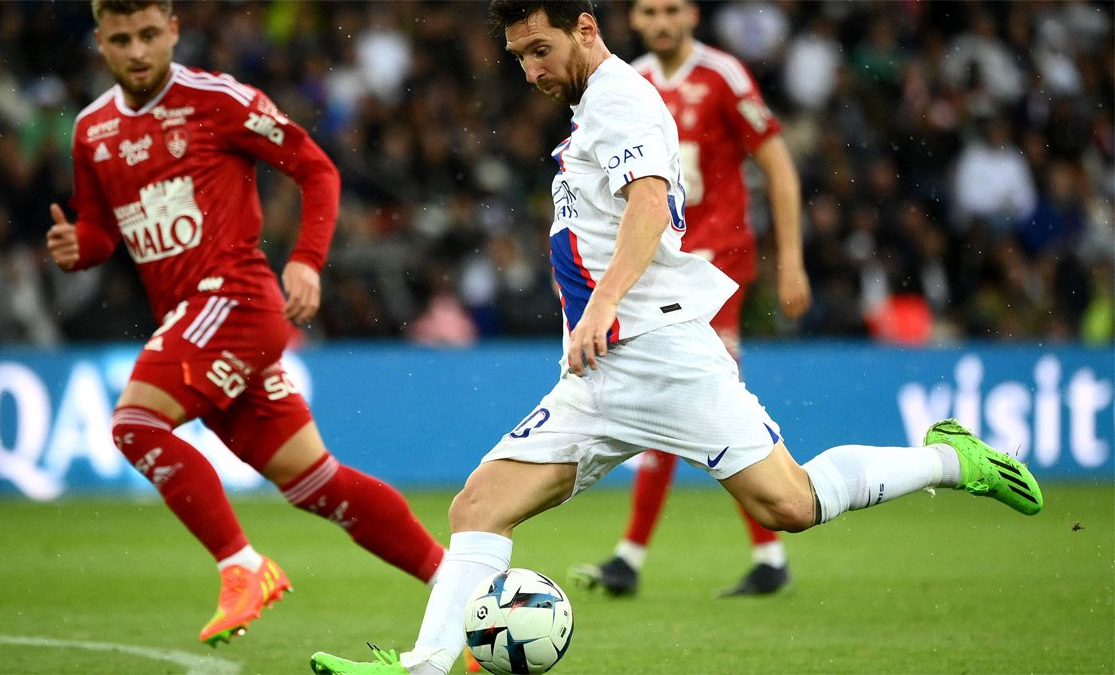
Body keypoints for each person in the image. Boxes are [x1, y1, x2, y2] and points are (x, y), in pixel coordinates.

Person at [308, 3, 1042, 674]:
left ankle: (951, 459)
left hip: (660, 354)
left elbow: (650, 206)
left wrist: (602, 303)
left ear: (585, 28)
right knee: (478, 506)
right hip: (596, 375)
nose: (531, 71)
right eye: (519, 58)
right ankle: (424, 667)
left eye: (540, 50)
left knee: (790, 504)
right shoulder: (596, 105)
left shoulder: (619, 99)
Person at [47, 0, 446, 647]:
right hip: (195, 320)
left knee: (135, 424)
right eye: (122, 40)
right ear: (101, 41)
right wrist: (79, 247)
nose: (138, 52)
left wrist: (307, 260)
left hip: (233, 300)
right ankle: (463, 588)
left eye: (149, 35)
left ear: (173, 30)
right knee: (317, 482)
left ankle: (242, 566)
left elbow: (316, 168)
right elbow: (99, 230)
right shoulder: (92, 129)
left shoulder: (217, 101)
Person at [570, 0, 811, 599]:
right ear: (634, 19)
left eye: (671, 9)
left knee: (703, 398)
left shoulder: (723, 75)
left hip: (716, 267)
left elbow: (778, 164)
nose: (660, 22)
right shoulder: (628, 81)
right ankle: (743, 555)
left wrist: (792, 260)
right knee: (673, 397)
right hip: (659, 267)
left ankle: (737, 552)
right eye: (649, 11)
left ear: (693, 15)